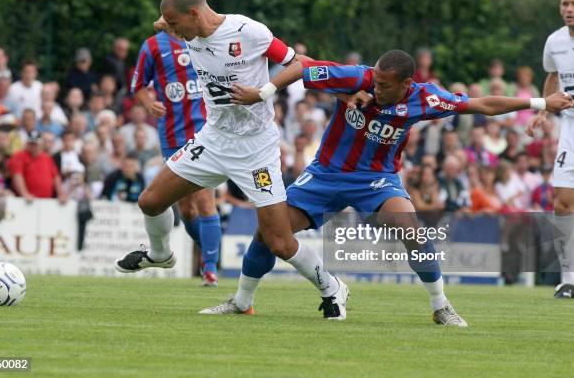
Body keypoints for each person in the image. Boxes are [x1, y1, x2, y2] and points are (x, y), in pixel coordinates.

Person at [215, 48, 572, 325]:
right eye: (375, 81)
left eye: (385, 85)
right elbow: (303, 65)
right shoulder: (358, 77)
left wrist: (541, 102)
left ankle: (440, 305)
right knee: (269, 232)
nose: (376, 87)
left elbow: (482, 104)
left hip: (376, 180)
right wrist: (268, 91)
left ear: (406, 84)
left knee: (410, 228)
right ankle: (242, 302)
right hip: (325, 174)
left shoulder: (424, 98)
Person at [116, 0, 349, 316]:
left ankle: (332, 288)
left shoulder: (248, 31)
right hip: (214, 139)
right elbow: (164, 22)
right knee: (150, 201)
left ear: (194, 13)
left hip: (256, 148)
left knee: (279, 241)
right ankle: (160, 255)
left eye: (175, 23)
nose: (172, 32)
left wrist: (263, 91)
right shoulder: (184, 29)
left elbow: (301, 63)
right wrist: (165, 20)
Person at [526, 0, 574, 298]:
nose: (569, 10)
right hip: (569, 127)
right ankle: (568, 279)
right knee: (562, 201)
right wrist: (543, 110)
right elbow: (552, 76)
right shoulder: (554, 42)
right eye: (565, 4)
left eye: (573, 4)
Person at [7, 130, 67, 202]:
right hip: (27, 201)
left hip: (46, 200)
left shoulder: (46, 157)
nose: (33, 146)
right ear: (27, 143)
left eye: (35, 144)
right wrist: (24, 194)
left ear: (41, 144)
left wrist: (60, 193)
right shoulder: (19, 156)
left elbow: (55, 176)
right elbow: (17, 176)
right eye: (31, 143)